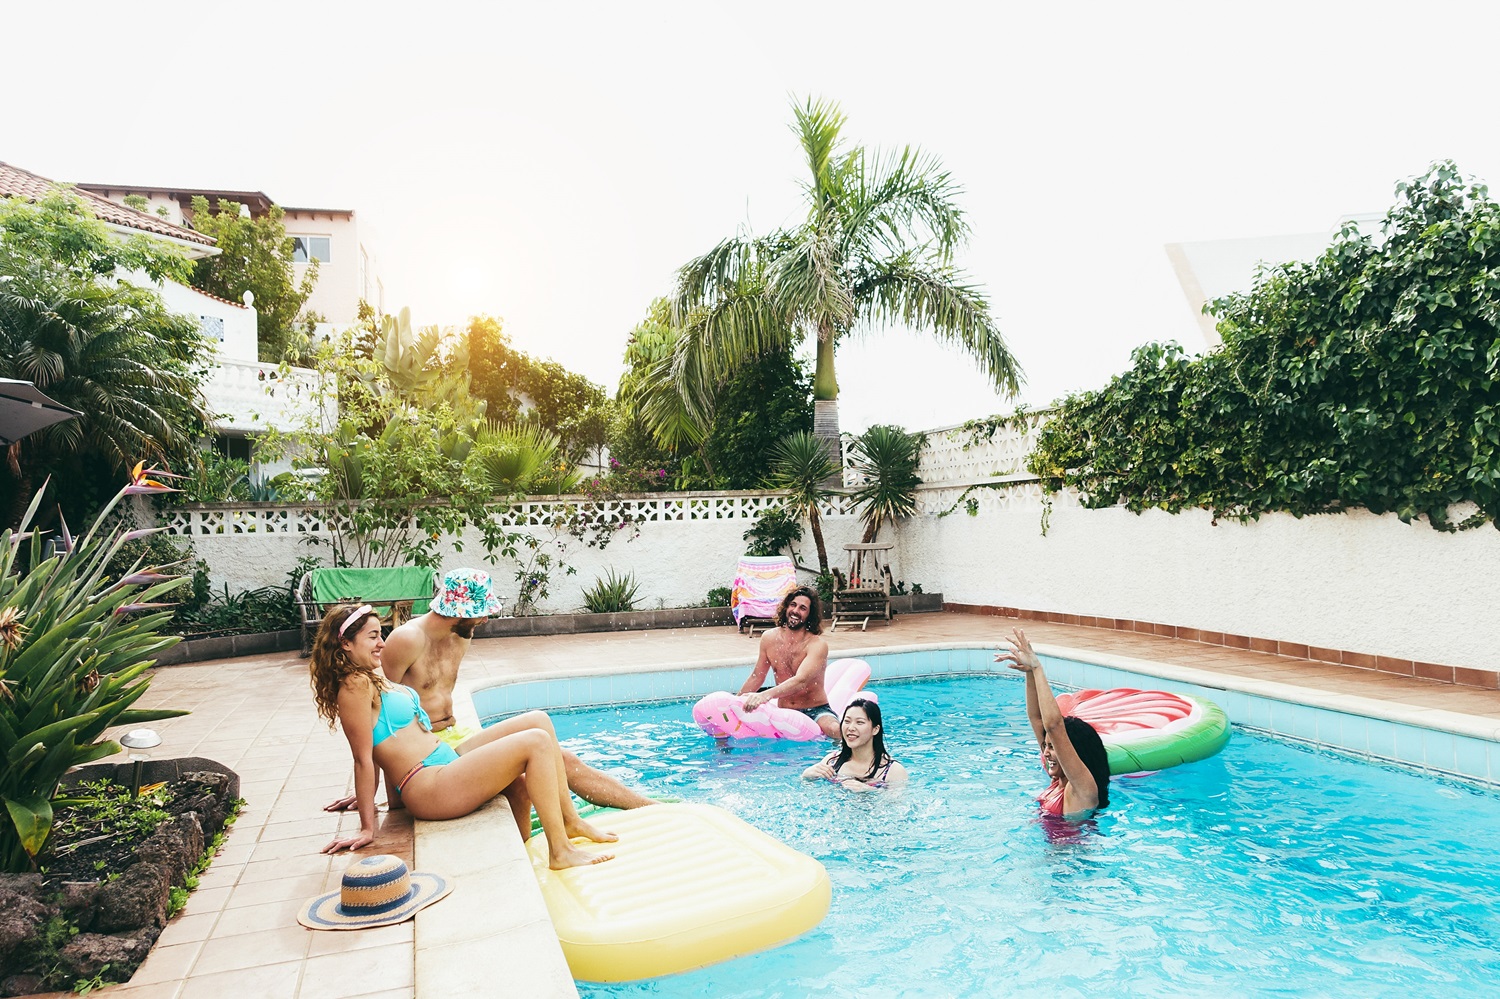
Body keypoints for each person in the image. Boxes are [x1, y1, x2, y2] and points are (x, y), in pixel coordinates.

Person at [325, 567, 654, 816]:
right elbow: (383, 717)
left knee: (553, 747)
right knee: (552, 758)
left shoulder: (462, 635)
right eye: (482, 611)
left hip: (456, 734)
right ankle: (639, 810)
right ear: (462, 611)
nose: (486, 618)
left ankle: (643, 808)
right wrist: (388, 789)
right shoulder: (406, 640)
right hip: (432, 751)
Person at [312, 602, 618, 868]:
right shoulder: (353, 685)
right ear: (346, 644)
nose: (382, 642)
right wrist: (368, 827)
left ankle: (570, 822)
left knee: (538, 722)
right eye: (373, 636)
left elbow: (383, 741)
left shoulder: (368, 675)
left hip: (445, 761)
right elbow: (363, 758)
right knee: (534, 743)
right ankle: (561, 851)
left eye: (382, 634)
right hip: (427, 783)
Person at [994, 627, 1110, 819]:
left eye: (1052, 747)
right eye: (1046, 746)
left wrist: (1039, 668)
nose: (1045, 752)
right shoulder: (1058, 782)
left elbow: (1054, 727)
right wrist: (1030, 672)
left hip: (1069, 850)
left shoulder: (1082, 790)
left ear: (1074, 753)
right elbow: (1037, 718)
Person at [736, 586, 840, 740]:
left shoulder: (816, 645)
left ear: (809, 615)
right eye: (793, 605)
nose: (795, 611)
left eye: (803, 608)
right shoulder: (769, 639)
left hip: (816, 711)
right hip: (783, 713)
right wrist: (736, 703)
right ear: (786, 607)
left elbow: (801, 680)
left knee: (835, 730)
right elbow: (757, 676)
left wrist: (765, 696)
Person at [802, 697, 907, 790]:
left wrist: (870, 791)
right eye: (847, 721)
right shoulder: (832, 762)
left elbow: (897, 804)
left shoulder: (892, 771)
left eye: (860, 722)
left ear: (875, 729)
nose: (851, 728)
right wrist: (807, 776)